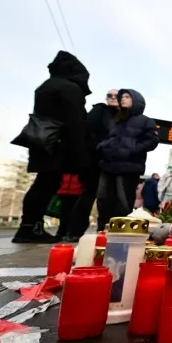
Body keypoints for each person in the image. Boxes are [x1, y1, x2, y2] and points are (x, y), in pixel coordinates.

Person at [13, 51, 90, 244]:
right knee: (45, 185)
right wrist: (81, 159)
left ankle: (29, 225)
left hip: (41, 139)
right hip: (59, 144)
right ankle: (30, 228)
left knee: (42, 184)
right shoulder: (70, 89)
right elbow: (75, 124)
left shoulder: (46, 87)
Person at [63, 89, 119, 239]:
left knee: (108, 198)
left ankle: (104, 231)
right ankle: (74, 231)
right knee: (89, 195)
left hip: (112, 162)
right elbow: (87, 133)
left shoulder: (123, 116)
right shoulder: (99, 111)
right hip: (95, 161)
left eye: (116, 96)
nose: (113, 98)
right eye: (110, 96)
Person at [97, 89, 159, 223]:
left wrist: (132, 150)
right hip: (108, 165)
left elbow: (152, 141)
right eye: (122, 97)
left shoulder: (146, 121)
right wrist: (103, 147)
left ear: (136, 100)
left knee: (123, 201)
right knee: (103, 198)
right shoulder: (116, 120)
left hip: (128, 167)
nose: (122, 99)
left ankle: (120, 232)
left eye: (127, 97)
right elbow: (107, 138)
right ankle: (102, 230)